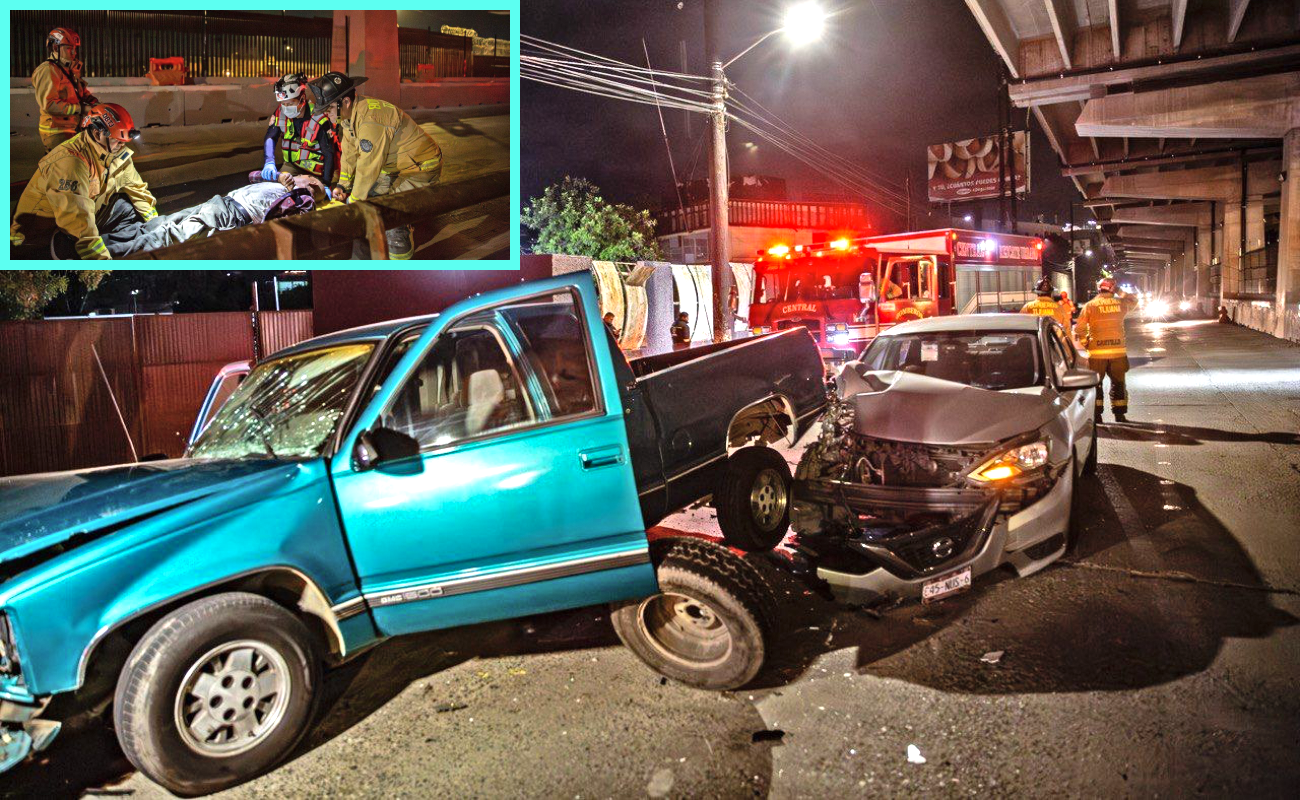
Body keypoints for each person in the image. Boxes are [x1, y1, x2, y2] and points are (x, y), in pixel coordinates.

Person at [307, 71, 444, 260]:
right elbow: (349, 153)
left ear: (345, 102)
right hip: (394, 166)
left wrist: (354, 201)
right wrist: (343, 186)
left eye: (328, 108)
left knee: (391, 210)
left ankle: (400, 258)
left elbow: (368, 166)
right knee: (369, 199)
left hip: (419, 168)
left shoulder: (371, 120)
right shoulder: (349, 116)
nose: (326, 113)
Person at [11, 103, 156, 260]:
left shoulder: (114, 153)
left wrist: (155, 224)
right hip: (39, 238)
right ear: (96, 133)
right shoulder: (71, 161)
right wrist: (100, 262)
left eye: (124, 141)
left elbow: (138, 190)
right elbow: (75, 218)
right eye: (117, 140)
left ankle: (107, 246)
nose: (122, 145)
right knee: (78, 241)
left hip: (78, 218)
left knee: (126, 207)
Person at [114, 171, 331, 256]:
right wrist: (278, 175)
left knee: (166, 236)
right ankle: (105, 245)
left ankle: (108, 254)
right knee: (159, 225)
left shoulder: (303, 197)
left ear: (311, 181)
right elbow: (253, 175)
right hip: (221, 205)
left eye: (303, 176)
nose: (298, 175)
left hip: (230, 216)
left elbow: (287, 221)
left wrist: (294, 189)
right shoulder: (283, 183)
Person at [1074, 277, 1138, 422]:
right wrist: (1119, 291)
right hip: (1118, 352)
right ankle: (1119, 414)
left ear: (1098, 288)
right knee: (1119, 383)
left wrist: (1086, 343)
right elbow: (1134, 300)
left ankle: (1097, 416)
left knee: (1096, 384)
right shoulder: (1120, 303)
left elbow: (1080, 329)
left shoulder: (1090, 305)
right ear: (1112, 288)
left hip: (1096, 353)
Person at [260, 73, 339, 187]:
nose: (286, 108)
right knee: (275, 187)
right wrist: (269, 161)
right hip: (292, 166)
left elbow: (329, 154)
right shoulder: (281, 113)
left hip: (318, 171)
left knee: (307, 194)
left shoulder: (318, 118)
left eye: (291, 103)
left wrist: (326, 183)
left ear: (302, 99)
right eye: (283, 104)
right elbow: (271, 137)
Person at [32, 27, 98, 152]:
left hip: (72, 126)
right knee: (66, 166)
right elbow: (49, 105)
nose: (74, 53)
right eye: (69, 48)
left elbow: (80, 92)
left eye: (75, 48)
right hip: (56, 131)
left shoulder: (69, 68)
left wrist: (94, 102)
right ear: (56, 48)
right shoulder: (48, 70)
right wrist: (82, 109)